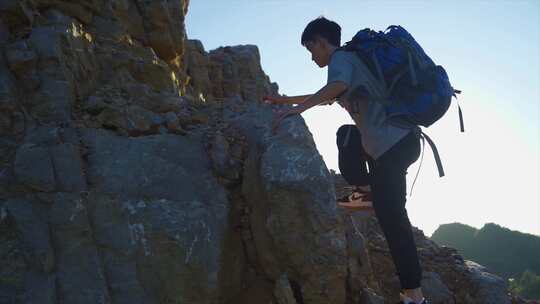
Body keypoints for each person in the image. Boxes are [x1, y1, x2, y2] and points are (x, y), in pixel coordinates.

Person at [265, 16, 426, 304]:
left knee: (393, 220)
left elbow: (336, 86)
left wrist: (297, 110)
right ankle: (365, 194)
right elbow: (328, 95)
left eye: (311, 48)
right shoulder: (353, 63)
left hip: (393, 146)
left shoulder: (341, 59)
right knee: (348, 136)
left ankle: (414, 296)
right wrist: (284, 102)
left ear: (322, 42)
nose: (312, 56)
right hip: (395, 145)